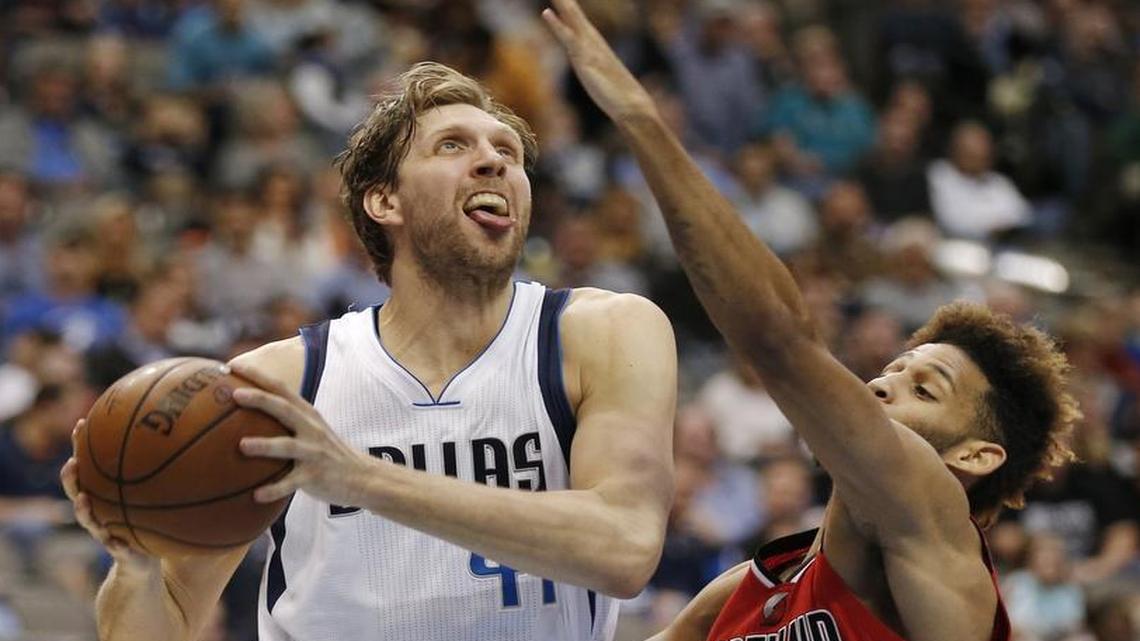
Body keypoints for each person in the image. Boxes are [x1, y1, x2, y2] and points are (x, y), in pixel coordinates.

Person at [60, 50, 677, 641]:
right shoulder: (279, 382)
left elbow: (625, 548)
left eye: (507, 151)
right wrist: (136, 564)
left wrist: (361, 479)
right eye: (453, 145)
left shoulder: (599, 334)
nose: (493, 162)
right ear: (385, 200)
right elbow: (168, 621)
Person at [538, 1, 1080, 640]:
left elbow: (779, 341)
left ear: (975, 454)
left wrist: (641, 120)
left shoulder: (940, 537)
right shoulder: (752, 585)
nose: (880, 385)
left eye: (925, 389)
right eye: (893, 369)